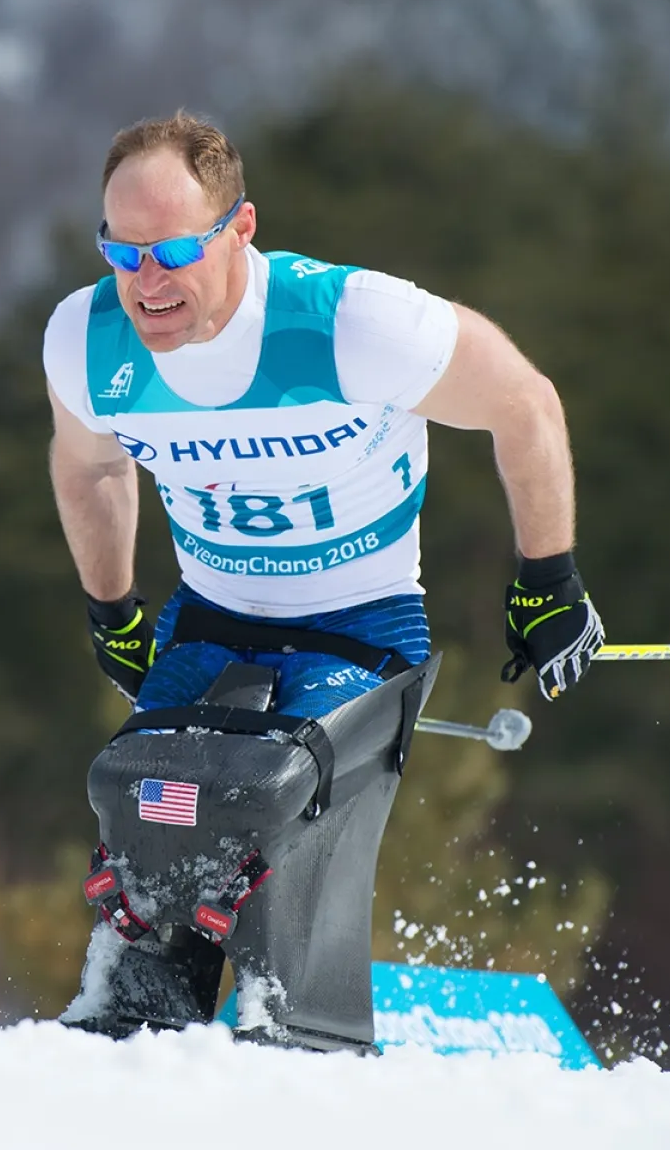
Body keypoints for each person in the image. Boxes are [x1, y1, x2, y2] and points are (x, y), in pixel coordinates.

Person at [44, 110, 604, 726]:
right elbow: (88, 464)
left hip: (361, 623)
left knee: (269, 795)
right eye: (122, 252)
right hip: (208, 619)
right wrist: (111, 612)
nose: (147, 282)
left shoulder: (349, 324)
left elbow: (525, 403)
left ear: (240, 229)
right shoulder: (86, 341)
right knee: (141, 802)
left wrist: (548, 579)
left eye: (176, 250)